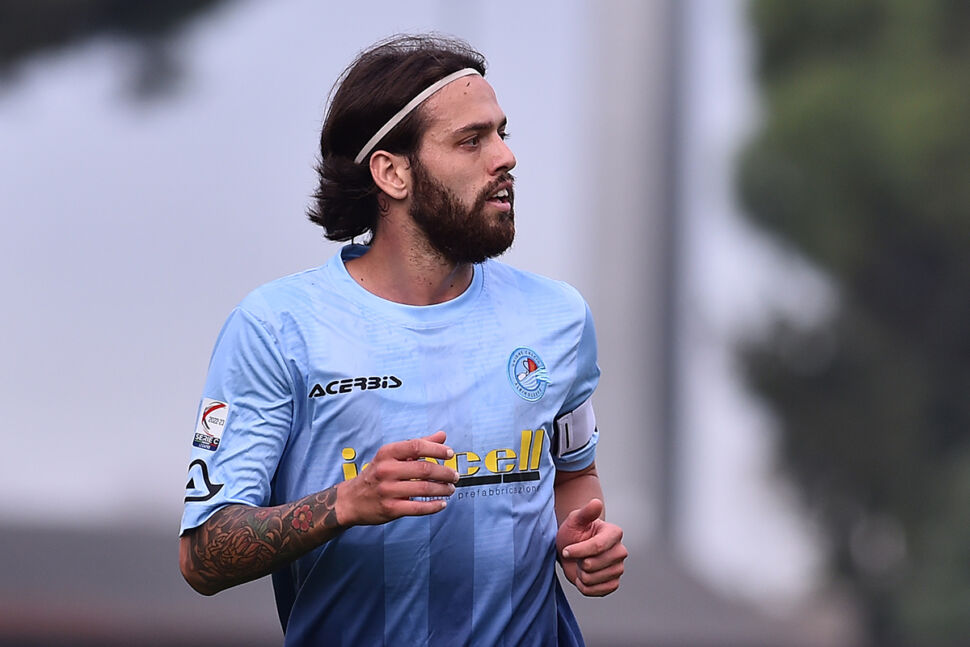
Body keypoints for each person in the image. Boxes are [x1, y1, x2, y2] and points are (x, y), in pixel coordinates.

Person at [179, 34, 627, 646]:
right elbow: (204, 554)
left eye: (501, 133)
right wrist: (345, 503)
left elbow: (575, 476)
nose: (506, 157)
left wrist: (579, 538)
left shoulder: (558, 318)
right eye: (471, 140)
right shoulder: (275, 328)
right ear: (392, 172)